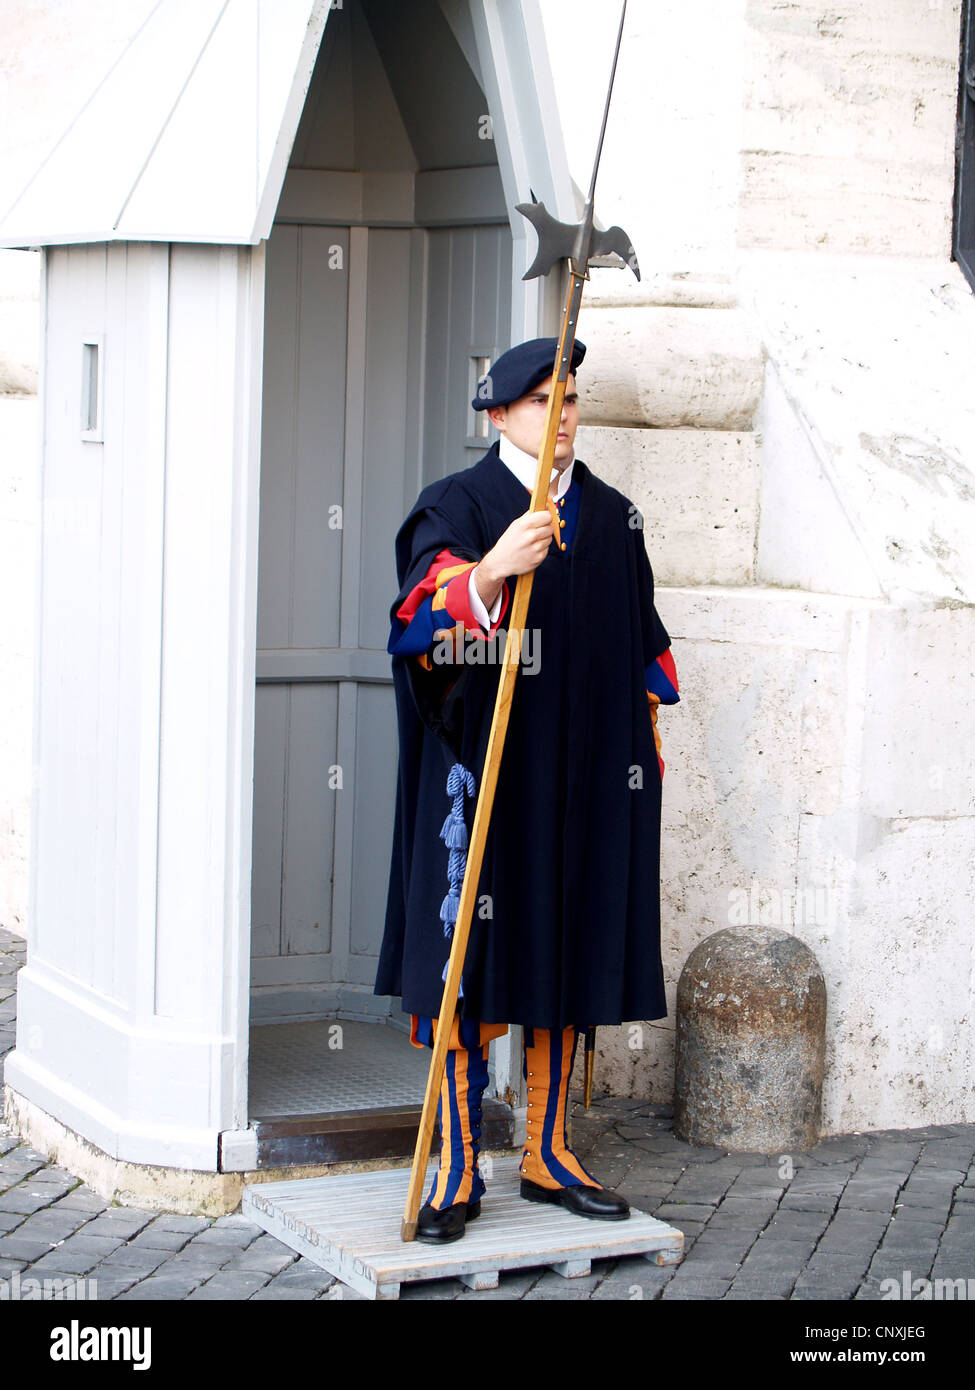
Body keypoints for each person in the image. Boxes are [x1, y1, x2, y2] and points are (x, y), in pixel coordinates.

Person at [374, 337, 679, 1244]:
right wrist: (490, 573)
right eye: (544, 402)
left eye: (574, 400)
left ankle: (547, 1154)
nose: (564, 418)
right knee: (469, 969)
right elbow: (422, 637)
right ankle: (459, 1164)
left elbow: (642, 651)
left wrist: (639, 754)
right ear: (498, 415)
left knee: (567, 952)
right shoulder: (458, 506)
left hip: (584, 786)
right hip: (487, 779)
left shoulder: (613, 517)